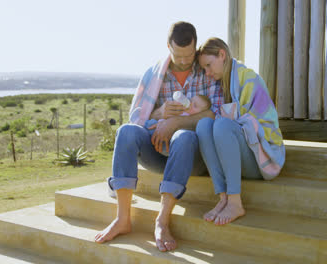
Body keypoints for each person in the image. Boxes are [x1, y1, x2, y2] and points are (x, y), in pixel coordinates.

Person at [94, 22, 224, 252]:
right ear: (168, 47)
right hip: (157, 151)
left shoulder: (208, 71)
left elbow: (217, 113)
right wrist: (159, 112)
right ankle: (122, 218)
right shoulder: (154, 74)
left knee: (184, 136)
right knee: (125, 131)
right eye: (178, 55)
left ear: (196, 47)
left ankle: (162, 221)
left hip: (192, 154)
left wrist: (176, 122)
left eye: (189, 55)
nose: (184, 60)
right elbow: (137, 116)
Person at [196, 37, 285, 226]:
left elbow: (261, 126)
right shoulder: (222, 84)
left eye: (209, 65)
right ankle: (223, 198)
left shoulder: (249, 79)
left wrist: (227, 120)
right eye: (204, 68)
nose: (208, 73)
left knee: (221, 125)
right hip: (238, 155)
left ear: (222, 54)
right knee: (203, 125)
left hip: (262, 156)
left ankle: (235, 201)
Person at [145, 94, 212, 156]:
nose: (190, 104)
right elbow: (167, 120)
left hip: (171, 143)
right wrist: (161, 122)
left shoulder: (191, 121)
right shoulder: (180, 110)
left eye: (195, 106)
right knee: (150, 123)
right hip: (159, 131)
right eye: (191, 100)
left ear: (200, 113)